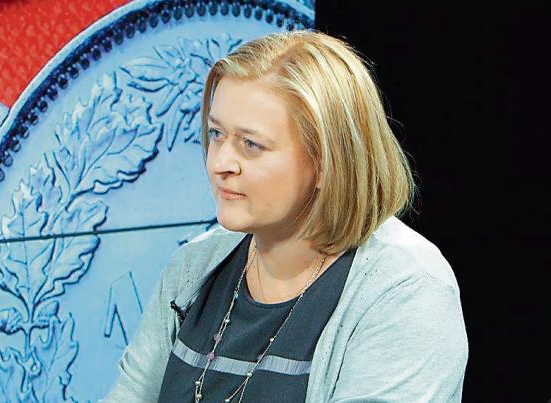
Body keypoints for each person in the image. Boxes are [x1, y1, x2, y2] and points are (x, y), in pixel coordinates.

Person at [102, 30, 468, 402]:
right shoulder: (192, 267)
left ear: (327, 163)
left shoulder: (407, 289)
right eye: (216, 133)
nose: (220, 163)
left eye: (251, 144)